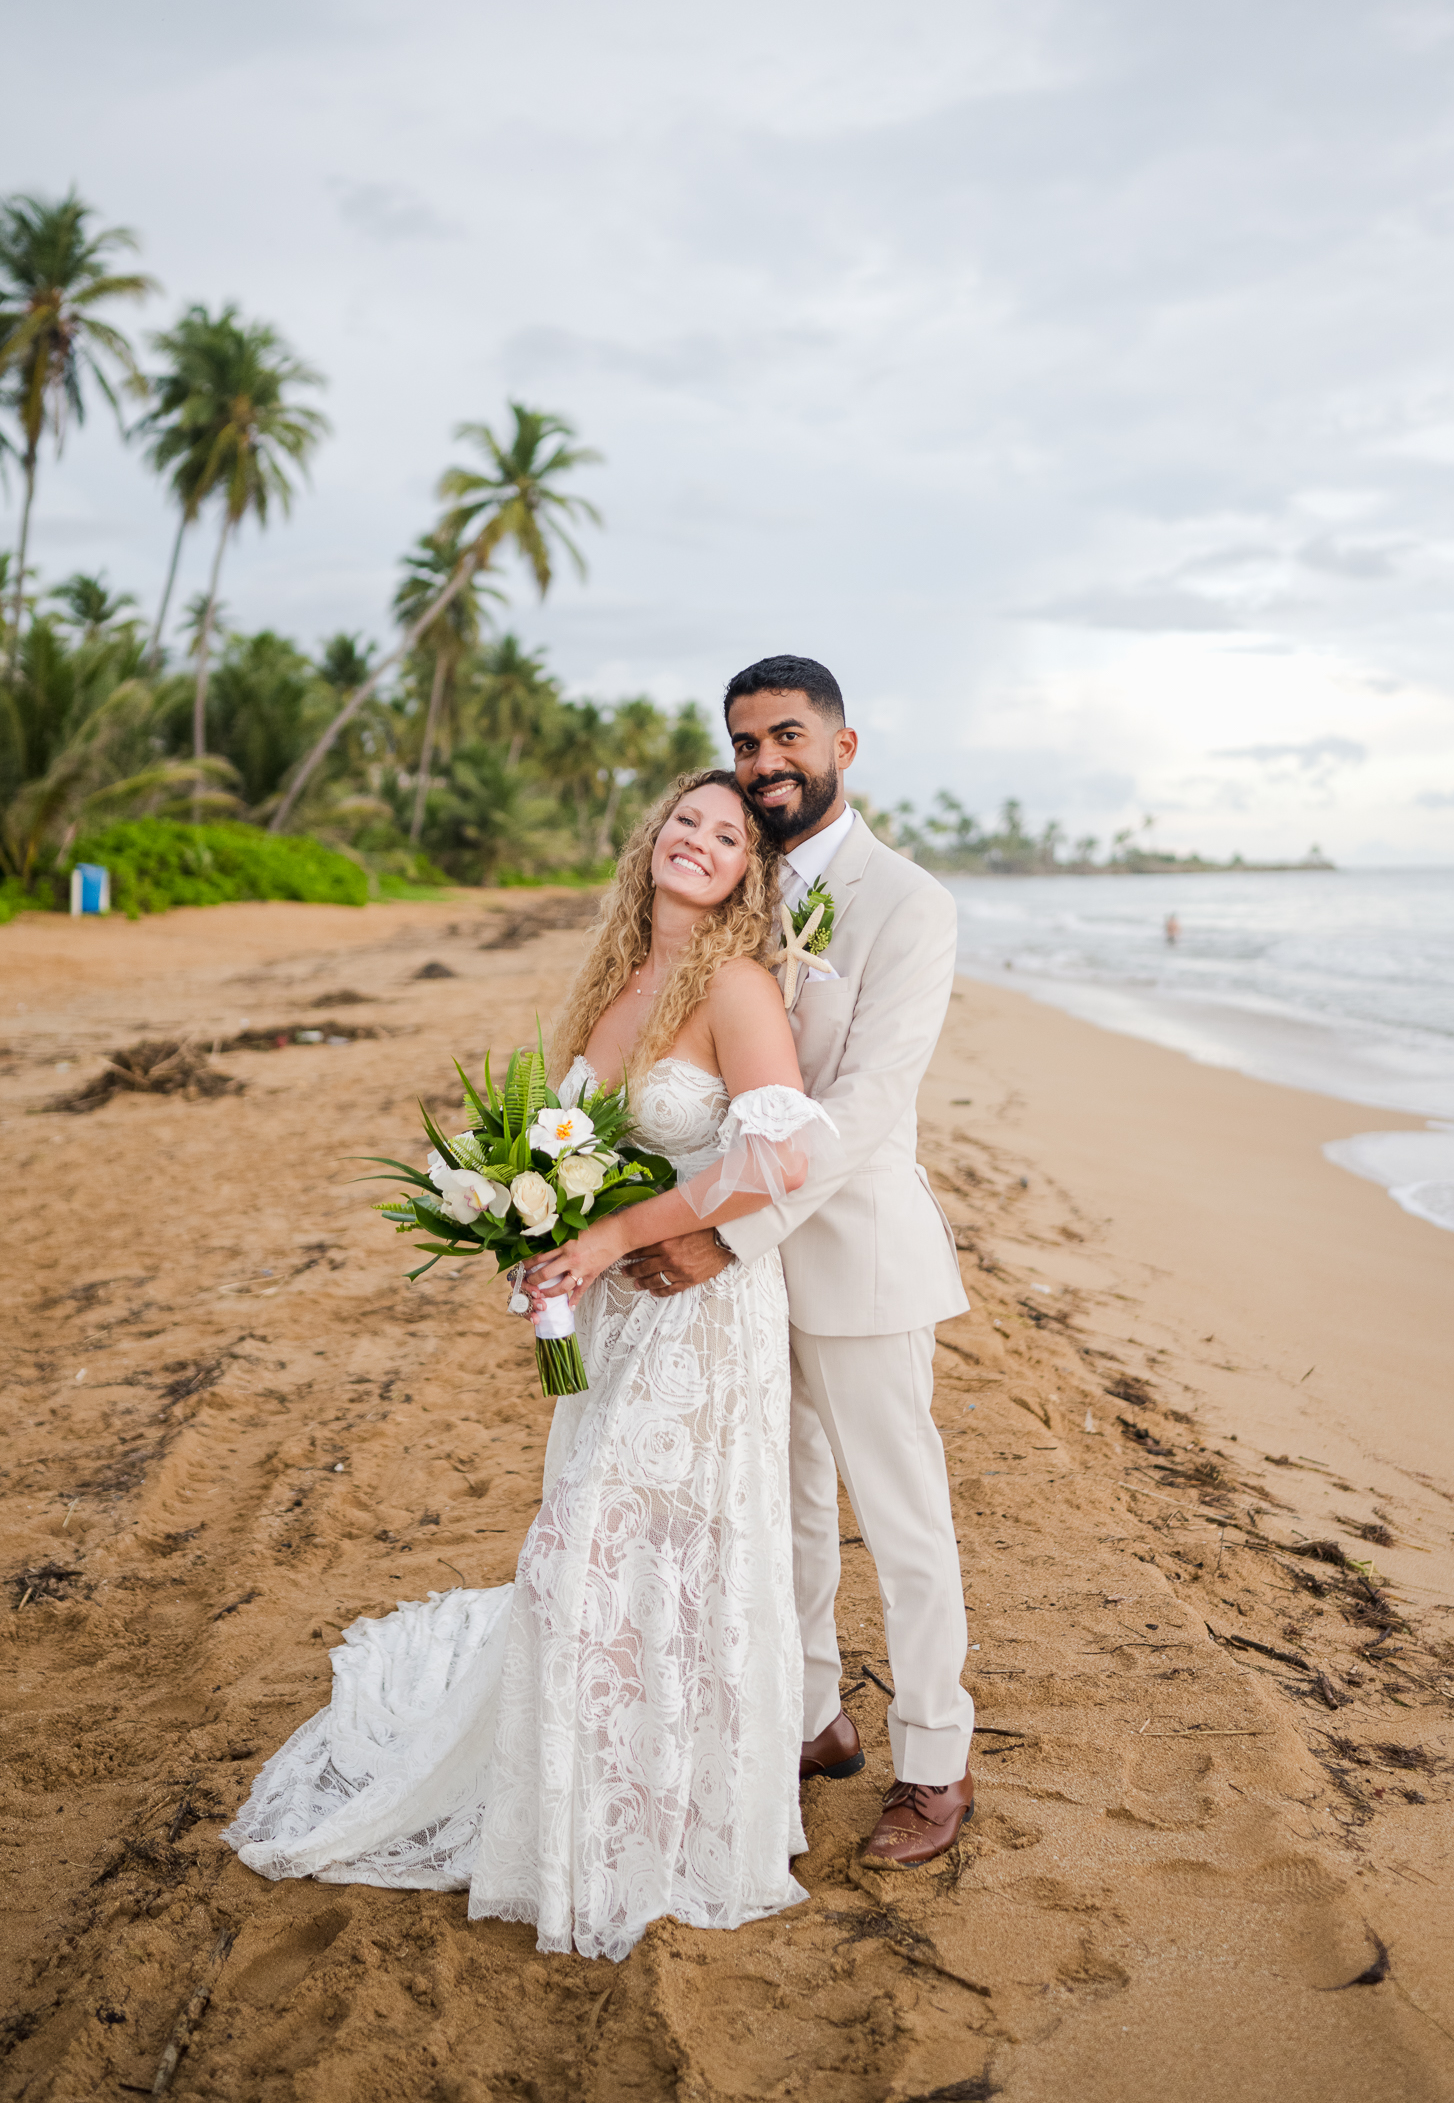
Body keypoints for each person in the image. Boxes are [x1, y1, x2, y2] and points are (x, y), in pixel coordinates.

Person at [226, 770, 833, 1962]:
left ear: (749, 873)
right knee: (599, 1536)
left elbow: (785, 1159)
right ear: (652, 837)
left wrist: (612, 1235)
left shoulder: (741, 985)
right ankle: (584, 1794)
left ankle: (658, 1819)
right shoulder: (618, 985)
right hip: (615, 1318)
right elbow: (581, 1159)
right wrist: (547, 1250)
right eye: (686, 821)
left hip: (703, 1313)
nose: (701, 842)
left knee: (627, 1539)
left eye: (727, 835)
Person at [622, 656, 976, 1868]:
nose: (764, 762)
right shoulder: (746, 881)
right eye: (744, 742)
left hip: (854, 1257)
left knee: (904, 1518)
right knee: (786, 1508)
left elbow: (868, 1106)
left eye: (786, 737)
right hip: (744, 1277)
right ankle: (816, 1717)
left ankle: (935, 1762)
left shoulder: (908, 903)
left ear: (843, 745)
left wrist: (723, 1232)